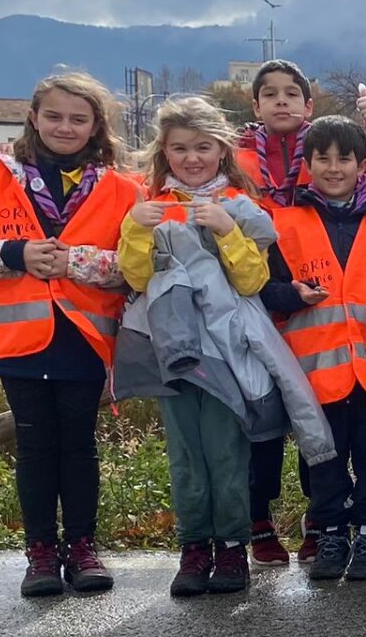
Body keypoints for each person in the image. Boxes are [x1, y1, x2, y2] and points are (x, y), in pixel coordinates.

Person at [237, 60, 366, 566]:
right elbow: (265, 289)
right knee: (322, 459)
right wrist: (293, 295)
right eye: (323, 160)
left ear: (361, 166)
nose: (334, 168)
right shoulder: (286, 223)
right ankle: (328, 532)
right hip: (314, 375)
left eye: (345, 160)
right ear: (307, 166)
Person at [0, 72, 138, 597]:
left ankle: (83, 547)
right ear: (33, 117)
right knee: (35, 446)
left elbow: (134, 265)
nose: (65, 127)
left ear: (96, 126)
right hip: (18, 341)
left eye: (78, 118)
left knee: (79, 445)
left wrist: (75, 262)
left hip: (84, 338)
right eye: (54, 116)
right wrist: (15, 253)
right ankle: (41, 553)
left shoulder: (122, 189)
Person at [118, 96, 277, 597]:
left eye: (203, 147)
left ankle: (231, 546)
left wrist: (227, 231)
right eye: (180, 148)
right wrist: (135, 228)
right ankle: (193, 547)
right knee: (185, 452)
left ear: (221, 150)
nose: (192, 158)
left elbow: (252, 281)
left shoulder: (239, 206)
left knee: (226, 450)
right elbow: (136, 278)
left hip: (225, 352)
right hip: (172, 349)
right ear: (164, 152)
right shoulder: (149, 206)